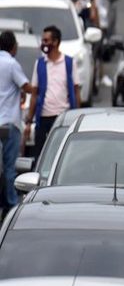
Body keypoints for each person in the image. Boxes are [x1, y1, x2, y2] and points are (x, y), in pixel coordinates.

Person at [24, 26, 81, 161]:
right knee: (41, 155)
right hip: (43, 117)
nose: (43, 44)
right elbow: (35, 93)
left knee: (62, 155)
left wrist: (78, 115)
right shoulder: (40, 64)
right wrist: (29, 121)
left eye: (46, 40)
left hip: (63, 116)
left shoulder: (69, 63)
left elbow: (76, 90)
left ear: (55, 42)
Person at [0, 32, 33, 213]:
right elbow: (26, 87)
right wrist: (38, 89)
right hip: (9, 123)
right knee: (10, 167)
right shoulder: (12, 64)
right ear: (13, 46)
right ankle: (11, 206)